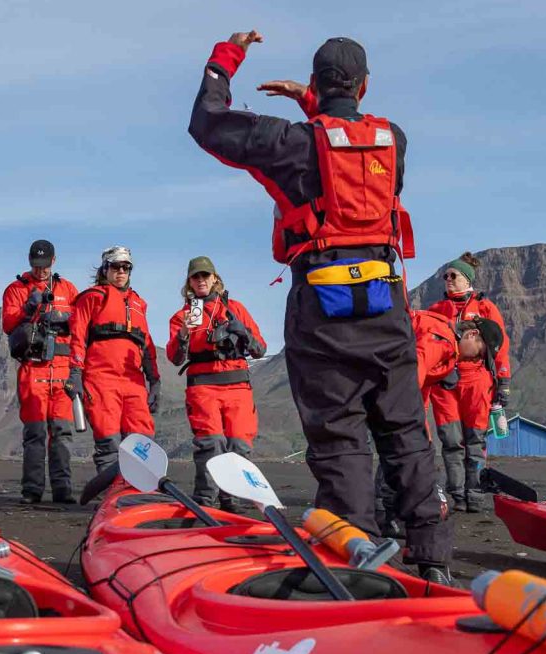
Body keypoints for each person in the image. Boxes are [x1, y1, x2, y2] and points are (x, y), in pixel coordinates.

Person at [188, 30, 453, 583]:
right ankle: (432, 557)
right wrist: (317, 104)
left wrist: (225, 57)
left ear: (314, 81)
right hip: (386, 308)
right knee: (405, 432)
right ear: (365, 84)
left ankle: (358, 558)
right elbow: (348, 146)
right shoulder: (394, 140)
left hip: (323, 310)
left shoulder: (288, 142)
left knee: (340, 438)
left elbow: (207, 121)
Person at [167, 256, 267, 508]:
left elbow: (260, 349)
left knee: (239, 444)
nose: (201, 280)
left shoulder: (236, 309)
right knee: (210, 443)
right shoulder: (183, 316)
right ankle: (205, 501)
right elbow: (175, 358)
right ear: (189, 282)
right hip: (203, 386)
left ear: (215, 279)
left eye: (205, 276)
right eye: (195, 277)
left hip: (237, 385)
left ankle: (232, 500)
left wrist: (242, 331)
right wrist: (183, 334)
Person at [428, 254, 511, 512]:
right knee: (451, 442)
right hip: (445, 382)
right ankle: (457, 497)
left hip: (477, 379)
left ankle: (475, 495)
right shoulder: (435, 310)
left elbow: (501, 345)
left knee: (475, 441)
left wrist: (504, 380)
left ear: (468, 279)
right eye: (446, 276)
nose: (449, 280)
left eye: (454, 275)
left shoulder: (486, 307)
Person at [1, 240, 81, 504]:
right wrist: (29, 308)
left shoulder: (67, 289)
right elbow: (8, 325)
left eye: (45, 266)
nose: (41, 271)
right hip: (33, 366)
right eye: (36, 266)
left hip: (61, 365)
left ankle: (62, 489)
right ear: (29, 262)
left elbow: (81, 324)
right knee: (34, 431)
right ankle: (32, 490)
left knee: (62, 431)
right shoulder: (16, 289)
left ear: (54, 261)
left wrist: (61, 318)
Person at [69, 246, 160, 476]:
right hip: (101, 378)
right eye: (116, 267)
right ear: (105, 269)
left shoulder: (139, 304)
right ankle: (113, 493)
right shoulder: (91, 298)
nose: (121, 272)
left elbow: (147, 346)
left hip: (133, 380)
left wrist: (155, 380)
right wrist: (75, 374)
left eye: (126, 267)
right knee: (108, 438)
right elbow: (78, 337)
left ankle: (137, 494)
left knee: (141, 439)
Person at [377, 307, 460, 535]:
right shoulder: (442, 338)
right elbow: (415, 370)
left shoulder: (436, 333)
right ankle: (387, 516)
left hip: (387, 381)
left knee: (401, 449)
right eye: (480, 352)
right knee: (399, 449)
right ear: (473, 336)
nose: (474, 358)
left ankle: (386, 513)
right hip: (394, 390)